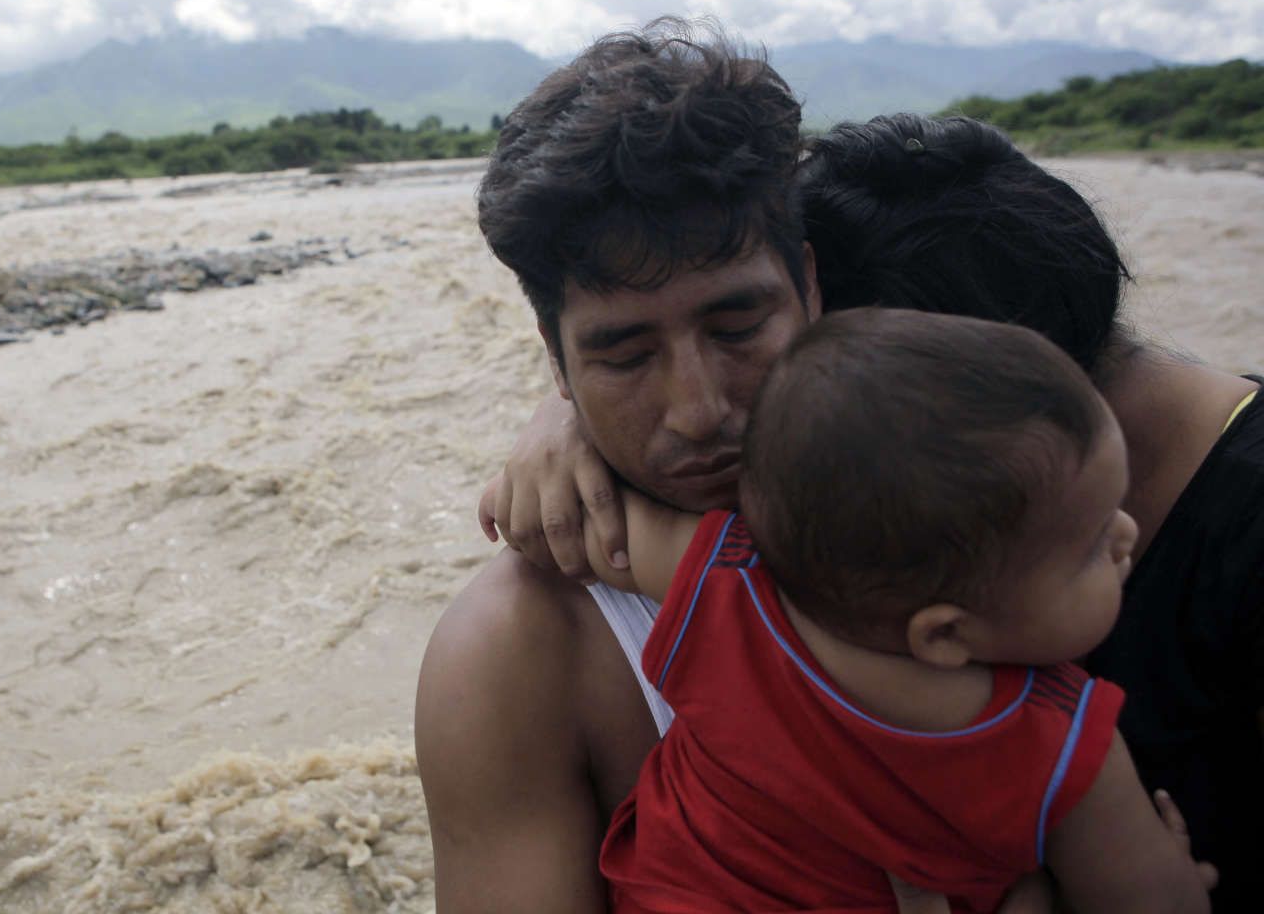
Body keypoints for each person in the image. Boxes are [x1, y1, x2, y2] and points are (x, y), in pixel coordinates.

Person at [469, 105, 1263, 909]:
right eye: (627, 354)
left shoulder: (740, 592)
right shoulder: (1058, 739)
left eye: (743, 327)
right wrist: (571, 412)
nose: (699, 409)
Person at [577, 307, 1209, 913]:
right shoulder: (1060, 746)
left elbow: (602, 533)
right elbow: (1153, 901)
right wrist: (1176, 871)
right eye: (1092, 545)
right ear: (944, 634)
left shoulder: (729, 584)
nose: (1127, 533)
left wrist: (558, 441)